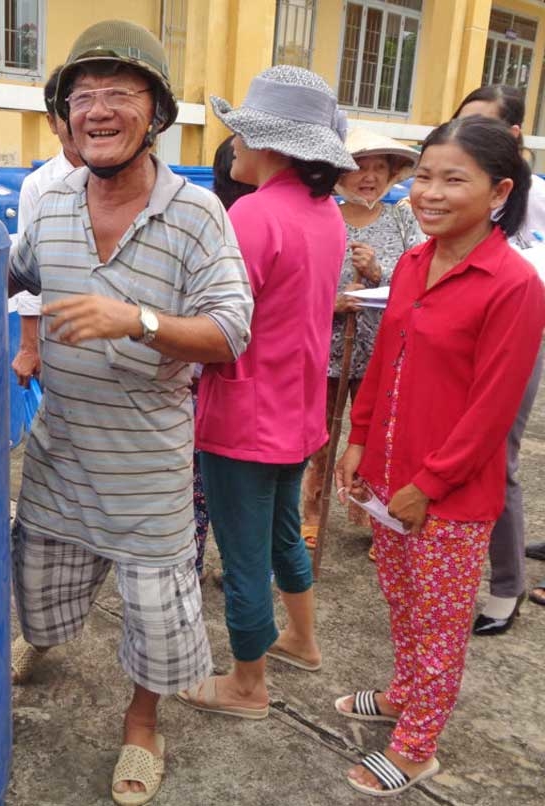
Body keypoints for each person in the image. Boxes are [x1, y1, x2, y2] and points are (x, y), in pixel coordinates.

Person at [7, 20, 253, 806]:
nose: (100, 110)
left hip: (146, 468)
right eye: (84, 97)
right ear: (65, 115)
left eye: (121, 94)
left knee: (155, 615)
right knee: (37, 593)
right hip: (59, 456)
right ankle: (40, 642)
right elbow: (6, 277)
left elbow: (230, 332)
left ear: (155, 112)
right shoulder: (46, 205)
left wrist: (136, 319)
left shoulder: (198, 214)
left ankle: (142, 723)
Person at [334, 115, 545, 796]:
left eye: (453, 179)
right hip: (389, 478)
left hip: (448, 496)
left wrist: (430, 483)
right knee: (400, 599)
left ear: (498, 191)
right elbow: (386, 357)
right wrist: (358, 441)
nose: (429, 192)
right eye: (424, 175)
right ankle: (403, 694)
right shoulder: (415, 264)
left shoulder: (515, 286)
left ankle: (419, 745)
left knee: (441, 621)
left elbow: (492, 410)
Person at [178, 67, 355, 719]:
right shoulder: (326, 215)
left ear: (274, 146)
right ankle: (302, 640)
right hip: (298, 412)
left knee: (243, 553)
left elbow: (218, 324)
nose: (234, 149)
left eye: (242, 136)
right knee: (283, 536)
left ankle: (248, 686)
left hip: (245, 417)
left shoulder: (252, 215)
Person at [450, 85, 545, 636]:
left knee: (496, 457)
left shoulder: (533, 199)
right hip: (456, 337)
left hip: (514, 337)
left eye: (481, 125)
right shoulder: (449, 187)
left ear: (512, 137)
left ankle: (505, 586)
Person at [300, 129, 422, 552]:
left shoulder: (404, 219)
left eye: (378, 170)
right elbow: (300, 284)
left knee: (378, 441)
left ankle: (378, 520)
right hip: (328, 350)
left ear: (391, 175)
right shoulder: (322, 215)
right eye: (359, 169)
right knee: (321, 438)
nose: (368, 177)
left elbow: (422, 280)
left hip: (384, 352)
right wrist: (332, 304)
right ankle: (312, 513)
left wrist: (376, 275)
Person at [191, 135, 256, 582]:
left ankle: (189, 567)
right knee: (252, 493)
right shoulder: (318, 214)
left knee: (195, 487)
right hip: (267, 385)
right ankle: (249, 570)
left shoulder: (223, 223)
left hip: (212, 377)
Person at [11, 65, 84, 387]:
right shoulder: (38, 186)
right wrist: (29, 346)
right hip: (59, 331)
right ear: (52, 123)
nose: (77, 122)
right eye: (64, 115)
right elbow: (26, 272)